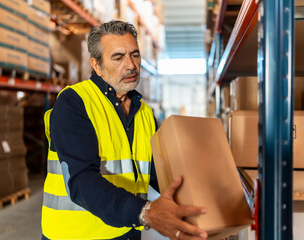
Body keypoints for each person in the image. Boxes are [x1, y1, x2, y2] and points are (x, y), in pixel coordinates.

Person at [41, 20, 208, 240]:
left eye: (135, 55)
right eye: (118, 57)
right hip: (78, 235)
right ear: (97, 65)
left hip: (128, 231)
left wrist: (205, 210)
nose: (130, 65)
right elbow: (82, 181)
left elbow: (160, 174)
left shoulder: (145, 113)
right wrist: (146, 212)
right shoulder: (74, 103)